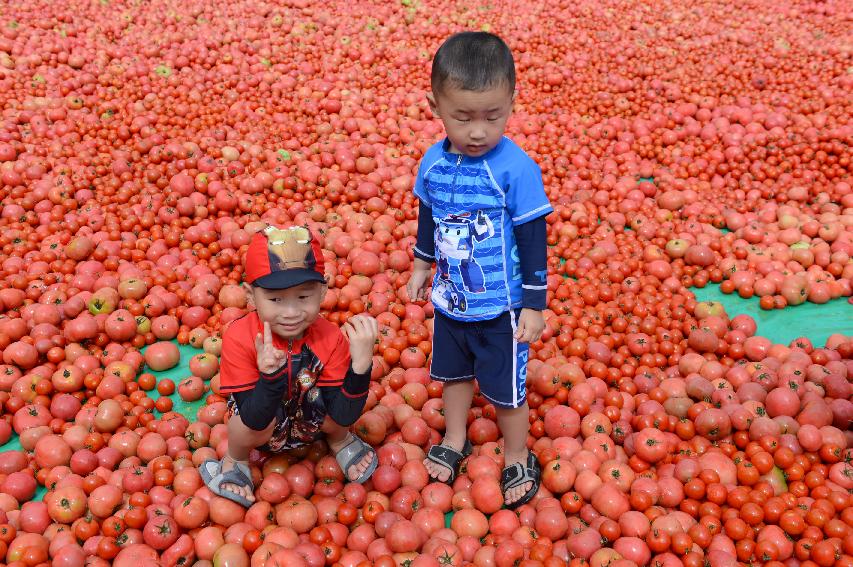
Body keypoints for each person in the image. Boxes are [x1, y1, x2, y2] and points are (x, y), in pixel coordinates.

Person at [407, 31, 553, 510]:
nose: (476, 132)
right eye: (461, 117)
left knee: (507, 391)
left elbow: (533, 238)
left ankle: (517, 455)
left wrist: (533, 304)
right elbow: (429, 215)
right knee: (453, 376)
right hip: (451, 301)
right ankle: (454, 438)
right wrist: (421, 265)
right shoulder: (433, 163)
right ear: (435, 107)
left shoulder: (516, 169)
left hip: (501, 306)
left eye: (493, 117)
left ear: (512, 101)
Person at [200, 224, 379, 507]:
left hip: (311, 416)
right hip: (261, 420)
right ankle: (235, 459)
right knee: (241, 424)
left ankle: (340, 442)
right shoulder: (240, 337)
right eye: (275, 299)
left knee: (331, 402)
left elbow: (342, 413)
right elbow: (254, 418)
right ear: (250, 295)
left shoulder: (331, 338)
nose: (292, 312)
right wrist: (270, 376)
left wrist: (361, 366)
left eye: (304, 297)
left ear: (323, 291)